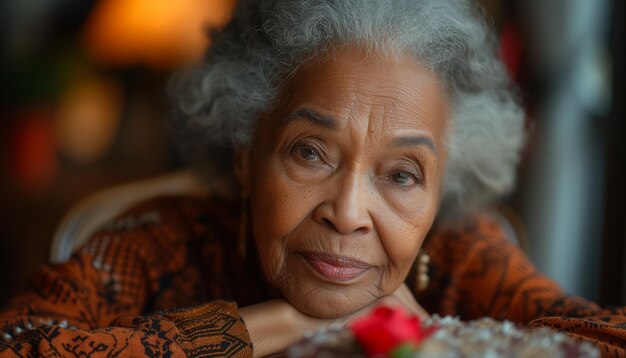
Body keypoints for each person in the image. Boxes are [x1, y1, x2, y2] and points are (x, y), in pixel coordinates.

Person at [1, 0, 625, 356]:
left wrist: (432, 340)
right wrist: (270, 325)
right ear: (247, 152)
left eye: (403, 175)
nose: (349, 212)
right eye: (311, 154)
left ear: (444, 186)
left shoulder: (460, 253)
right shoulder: (162, 243)